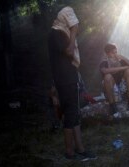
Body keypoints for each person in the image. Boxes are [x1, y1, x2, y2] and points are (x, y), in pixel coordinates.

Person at [48, 6, 96, 161]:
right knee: (70, 114)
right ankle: (69, 152)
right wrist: (74, 31)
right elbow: (69, 52)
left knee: (74, 113)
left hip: (70, 76)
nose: (74, 23)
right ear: (63, 18)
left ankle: (80, 149)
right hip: (64, 78)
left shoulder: (62, 32)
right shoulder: (56, 33)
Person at [99, 43, 129, 115]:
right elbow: (105, 71)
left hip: (122, 89)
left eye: (116, 52)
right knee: (107, 77)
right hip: (111, 91)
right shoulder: (104, 62)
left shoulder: (121, 61)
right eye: (112, 53)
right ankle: (112, 106)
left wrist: (124, 58)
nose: (115, 55)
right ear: (107, 54)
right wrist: (124, 67)